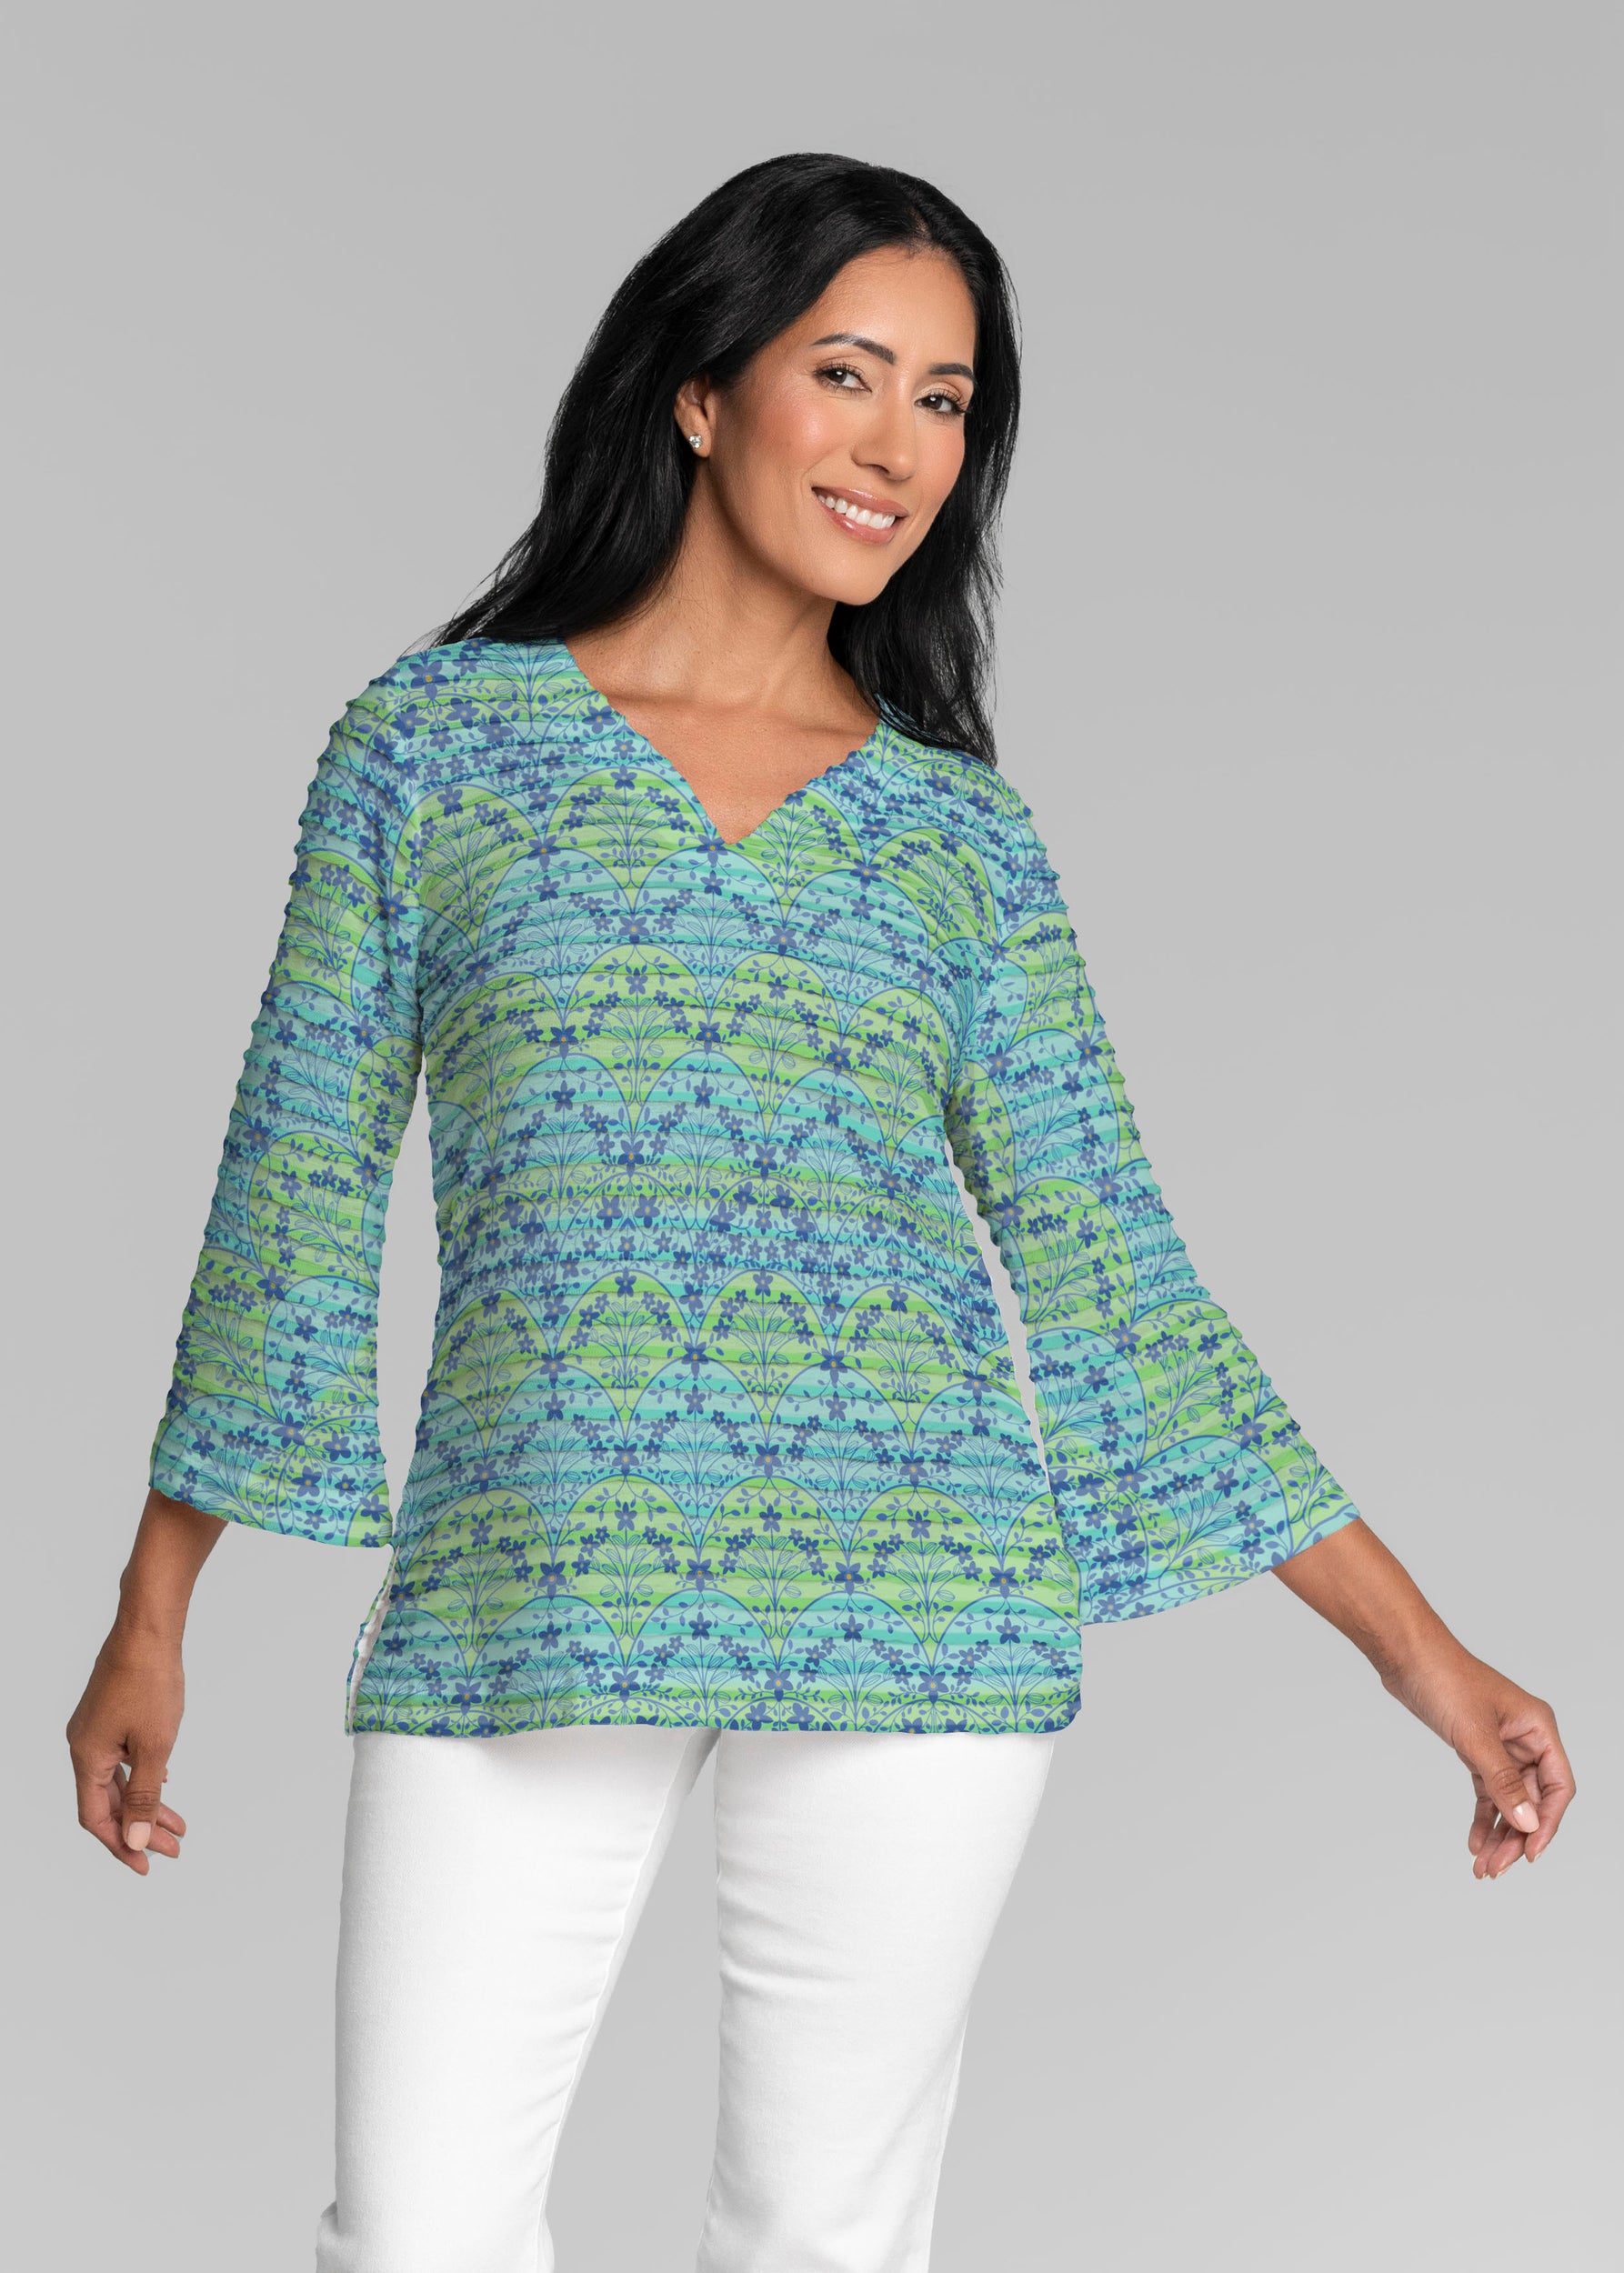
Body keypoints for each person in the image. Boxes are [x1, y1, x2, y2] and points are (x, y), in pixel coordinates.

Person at [68, 153, 1575, 2272]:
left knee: (818, 2241)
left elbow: (1115, 1274)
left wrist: (1426, 1660)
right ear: (700, 391)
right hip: (530, 1573)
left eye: (944, 401)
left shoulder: (958, 840)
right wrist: (156, 1606)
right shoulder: (428, 749)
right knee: (413, 2231)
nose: (896, 446)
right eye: (846, 373)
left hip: (919, 1598)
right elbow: (292, 1179)